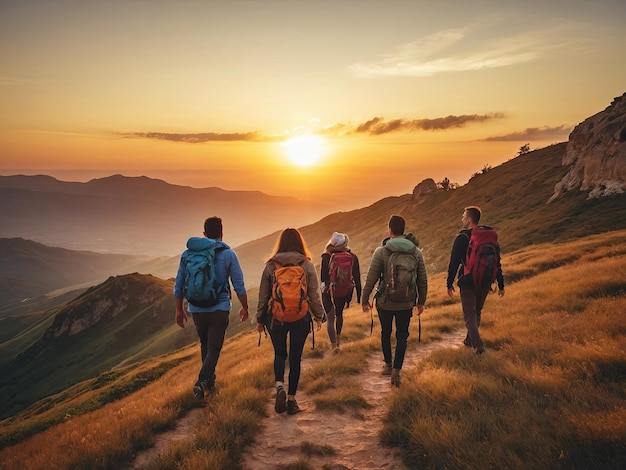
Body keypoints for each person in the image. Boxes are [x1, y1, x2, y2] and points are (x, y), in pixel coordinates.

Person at [174, 216, 249, 399]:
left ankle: (209, 383)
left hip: (196, 308)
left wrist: (179, 309)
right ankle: (201, 382)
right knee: (214, 349)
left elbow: (179, 284)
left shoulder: (188, 254)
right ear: (222, 234)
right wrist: (245, 306)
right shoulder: (229, 254)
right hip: (219, 308)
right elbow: (238, 284)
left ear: (204, 234)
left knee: (205, 345)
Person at [256, 228, 325, 415]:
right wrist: (319, 316)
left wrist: (260, 319)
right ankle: (292, 400)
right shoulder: (306, 264)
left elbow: (263, 296)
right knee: (296, 358)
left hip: (276, 318)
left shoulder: (271, 265)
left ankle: (279, 387)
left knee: (280, 354)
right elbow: (314, 294)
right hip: (300, 317)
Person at [361, 215, 427, 387]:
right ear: (403, 231)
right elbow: (422, 280)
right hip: (407, 301)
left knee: (385, 331)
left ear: (389, 230)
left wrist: (364, 299)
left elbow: (371, 278)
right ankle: (397, 371)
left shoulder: (381, 251)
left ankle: (388, 364)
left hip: (385, 302)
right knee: (402, 335)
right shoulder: (416, 252)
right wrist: (421, 301)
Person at [446, 206, 505, 354]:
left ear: (470, 219)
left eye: (463, 216)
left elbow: (453, 263)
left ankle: (478, 345)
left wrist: (449, 283)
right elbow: (497, 262)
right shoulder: (489, 237)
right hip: (485, 279)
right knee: (477, 311)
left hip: (468, 281)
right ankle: (468, 340)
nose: (462, 219)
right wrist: (501, 284)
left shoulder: (462, 238)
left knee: (469, 315)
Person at [320, 232, 362, 351]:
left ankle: (333, 346)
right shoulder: (352, 256)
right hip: (343, 292)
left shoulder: (326, 256)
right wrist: (359, 297)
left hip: (329, 292)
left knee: (330, 318)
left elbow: (323, 278)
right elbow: (357, 278)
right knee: (339, 315)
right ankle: (338, 342)